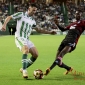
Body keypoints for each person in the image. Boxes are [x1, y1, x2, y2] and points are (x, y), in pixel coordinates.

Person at [1, 3, 56, 79]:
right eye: (33, 10)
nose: (34, 12)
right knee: (26, 50)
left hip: (27, 39)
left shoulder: (33, 20)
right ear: (29, 8)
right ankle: (24, 70)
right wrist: (4, 25)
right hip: (19, 37)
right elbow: (9, 17)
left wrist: (50, 32)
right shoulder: (21, 14)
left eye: (35, 11)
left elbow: (38, 30)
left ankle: (23, 67)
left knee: (36, 54)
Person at [44, 11, 85, 76]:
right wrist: (57, 24)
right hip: (65, 40)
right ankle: (69, 68)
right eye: (76, 14)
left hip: (72, 41)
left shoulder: (83, 22)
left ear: (81, 15)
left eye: (79, 14)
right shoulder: (72, 24)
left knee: (61, 55)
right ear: (75, 15)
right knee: (57, 60)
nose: (78, 15)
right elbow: (63, 29)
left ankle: (49, 69)